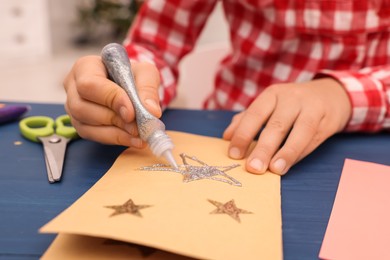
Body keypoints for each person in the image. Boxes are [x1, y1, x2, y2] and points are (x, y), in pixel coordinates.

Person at [64, 0, 390, 175]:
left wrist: (342, 94)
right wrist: (124, 80)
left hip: (372, 145)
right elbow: (156, 43)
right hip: (230, 133)